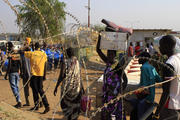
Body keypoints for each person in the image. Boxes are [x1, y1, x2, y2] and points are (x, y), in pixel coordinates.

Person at [96, 35, 128, 120]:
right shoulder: (107, 62)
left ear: (115, 55)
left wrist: (120, 93)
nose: (109, 55)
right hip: (106, 96)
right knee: (107, 116)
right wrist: (100, 37)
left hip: (115, 96)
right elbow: (98, 50)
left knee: (115, 116)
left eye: (111, 54)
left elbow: (125, 80)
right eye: (108, 54)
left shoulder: (117, 66)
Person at [154, 35, 180, 120]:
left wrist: (157, 113)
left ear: (167, 46)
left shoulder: (169, 64)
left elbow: (166, 92)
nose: (159, 48)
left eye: (161, 45)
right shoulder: (178, 58)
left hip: (170, 106)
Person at [54, 47, 84, 120]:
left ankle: (68, 117)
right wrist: (82, 87)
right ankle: (74, 117)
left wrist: (56, 86)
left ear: (67, 54)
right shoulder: (77, 62)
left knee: (65, 103)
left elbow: (61, 75)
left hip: (67, 87)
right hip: (76, 87)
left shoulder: (65, 62)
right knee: (75, 104)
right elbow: (79, 75)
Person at [130, 52, 162, 120]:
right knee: (147, 115)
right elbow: (159, 80)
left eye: (139, 58)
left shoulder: (144, 68)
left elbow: (143, 86)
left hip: (144, 98)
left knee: (141, 116)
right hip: (151, 97)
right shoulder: (152, 67)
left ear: (144, 59)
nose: (138, 60)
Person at [24, 42, 50, 114]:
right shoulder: (43, 54)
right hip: (41, 74)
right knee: (40, 89)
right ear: (40, 47)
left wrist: (28, 46)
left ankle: (41, 105)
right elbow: (45, 65)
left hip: (34, 75)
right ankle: (43, 104)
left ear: (34, 47)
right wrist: (44, 75)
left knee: (35, 90)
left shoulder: (32, 53)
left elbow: (24, 52)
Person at [4, 42, 22, 108]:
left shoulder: (10, 54)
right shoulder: (16, 53)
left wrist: (6, 74)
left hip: (12, 72)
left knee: (14, 87)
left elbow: (9, 65)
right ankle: (19, 101)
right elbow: (20, 63)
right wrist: (20, 71)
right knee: (17, 87)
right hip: (17, 72)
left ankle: (19, 101)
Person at [20, 37, 32, 106]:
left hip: (26, 73)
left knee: (26, 88)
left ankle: (28, 102)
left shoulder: (23, 54)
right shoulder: (31, 53)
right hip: (30, 73)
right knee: (33, 88)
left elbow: (20, 50)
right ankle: (38, 101)